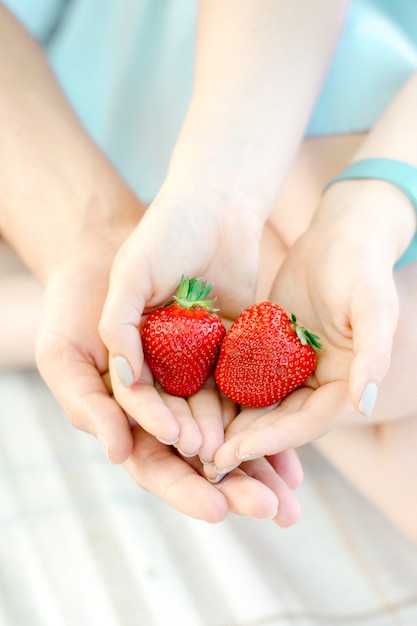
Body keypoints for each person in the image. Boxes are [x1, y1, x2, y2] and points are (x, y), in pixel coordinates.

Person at [1, 0, 417, 543]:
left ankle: (45, 308)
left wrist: (369, 209)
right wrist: (83, 240)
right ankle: (90, 283)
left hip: (291, 68)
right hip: (169, 82)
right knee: (389, 345)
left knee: (382, 348)